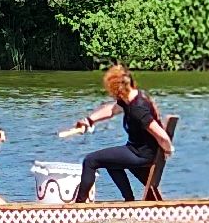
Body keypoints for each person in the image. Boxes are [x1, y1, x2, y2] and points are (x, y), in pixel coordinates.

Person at [64, 64, 174, 202]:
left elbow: (161, 135)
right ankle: (129, 202)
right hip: (138, 151)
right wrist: (89, 120)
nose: (112, 94)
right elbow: (111, 110)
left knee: (90, 160)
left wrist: (168, 149)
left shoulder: (137, 109)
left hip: (141, 154)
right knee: (110, 161)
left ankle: (78, 207)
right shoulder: (131, 98)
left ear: (119, 90)